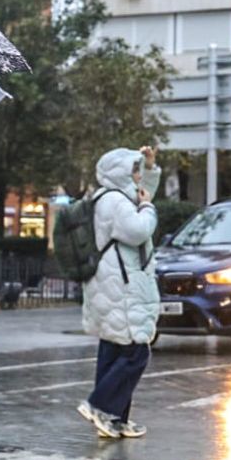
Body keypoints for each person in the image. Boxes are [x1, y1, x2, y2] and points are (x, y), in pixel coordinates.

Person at [78, 146, 161, 439]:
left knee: (114, 350)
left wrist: (151, 168)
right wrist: (150, 209)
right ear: (121, 174)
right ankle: (99, 405)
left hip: (113, 283)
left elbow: (140, 195)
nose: (138, 175)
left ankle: (114, 420)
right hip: (121, 286)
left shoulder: (111, 198)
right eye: (135, 170)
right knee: (136, 351)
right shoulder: (114, 201)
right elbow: (139, 228)